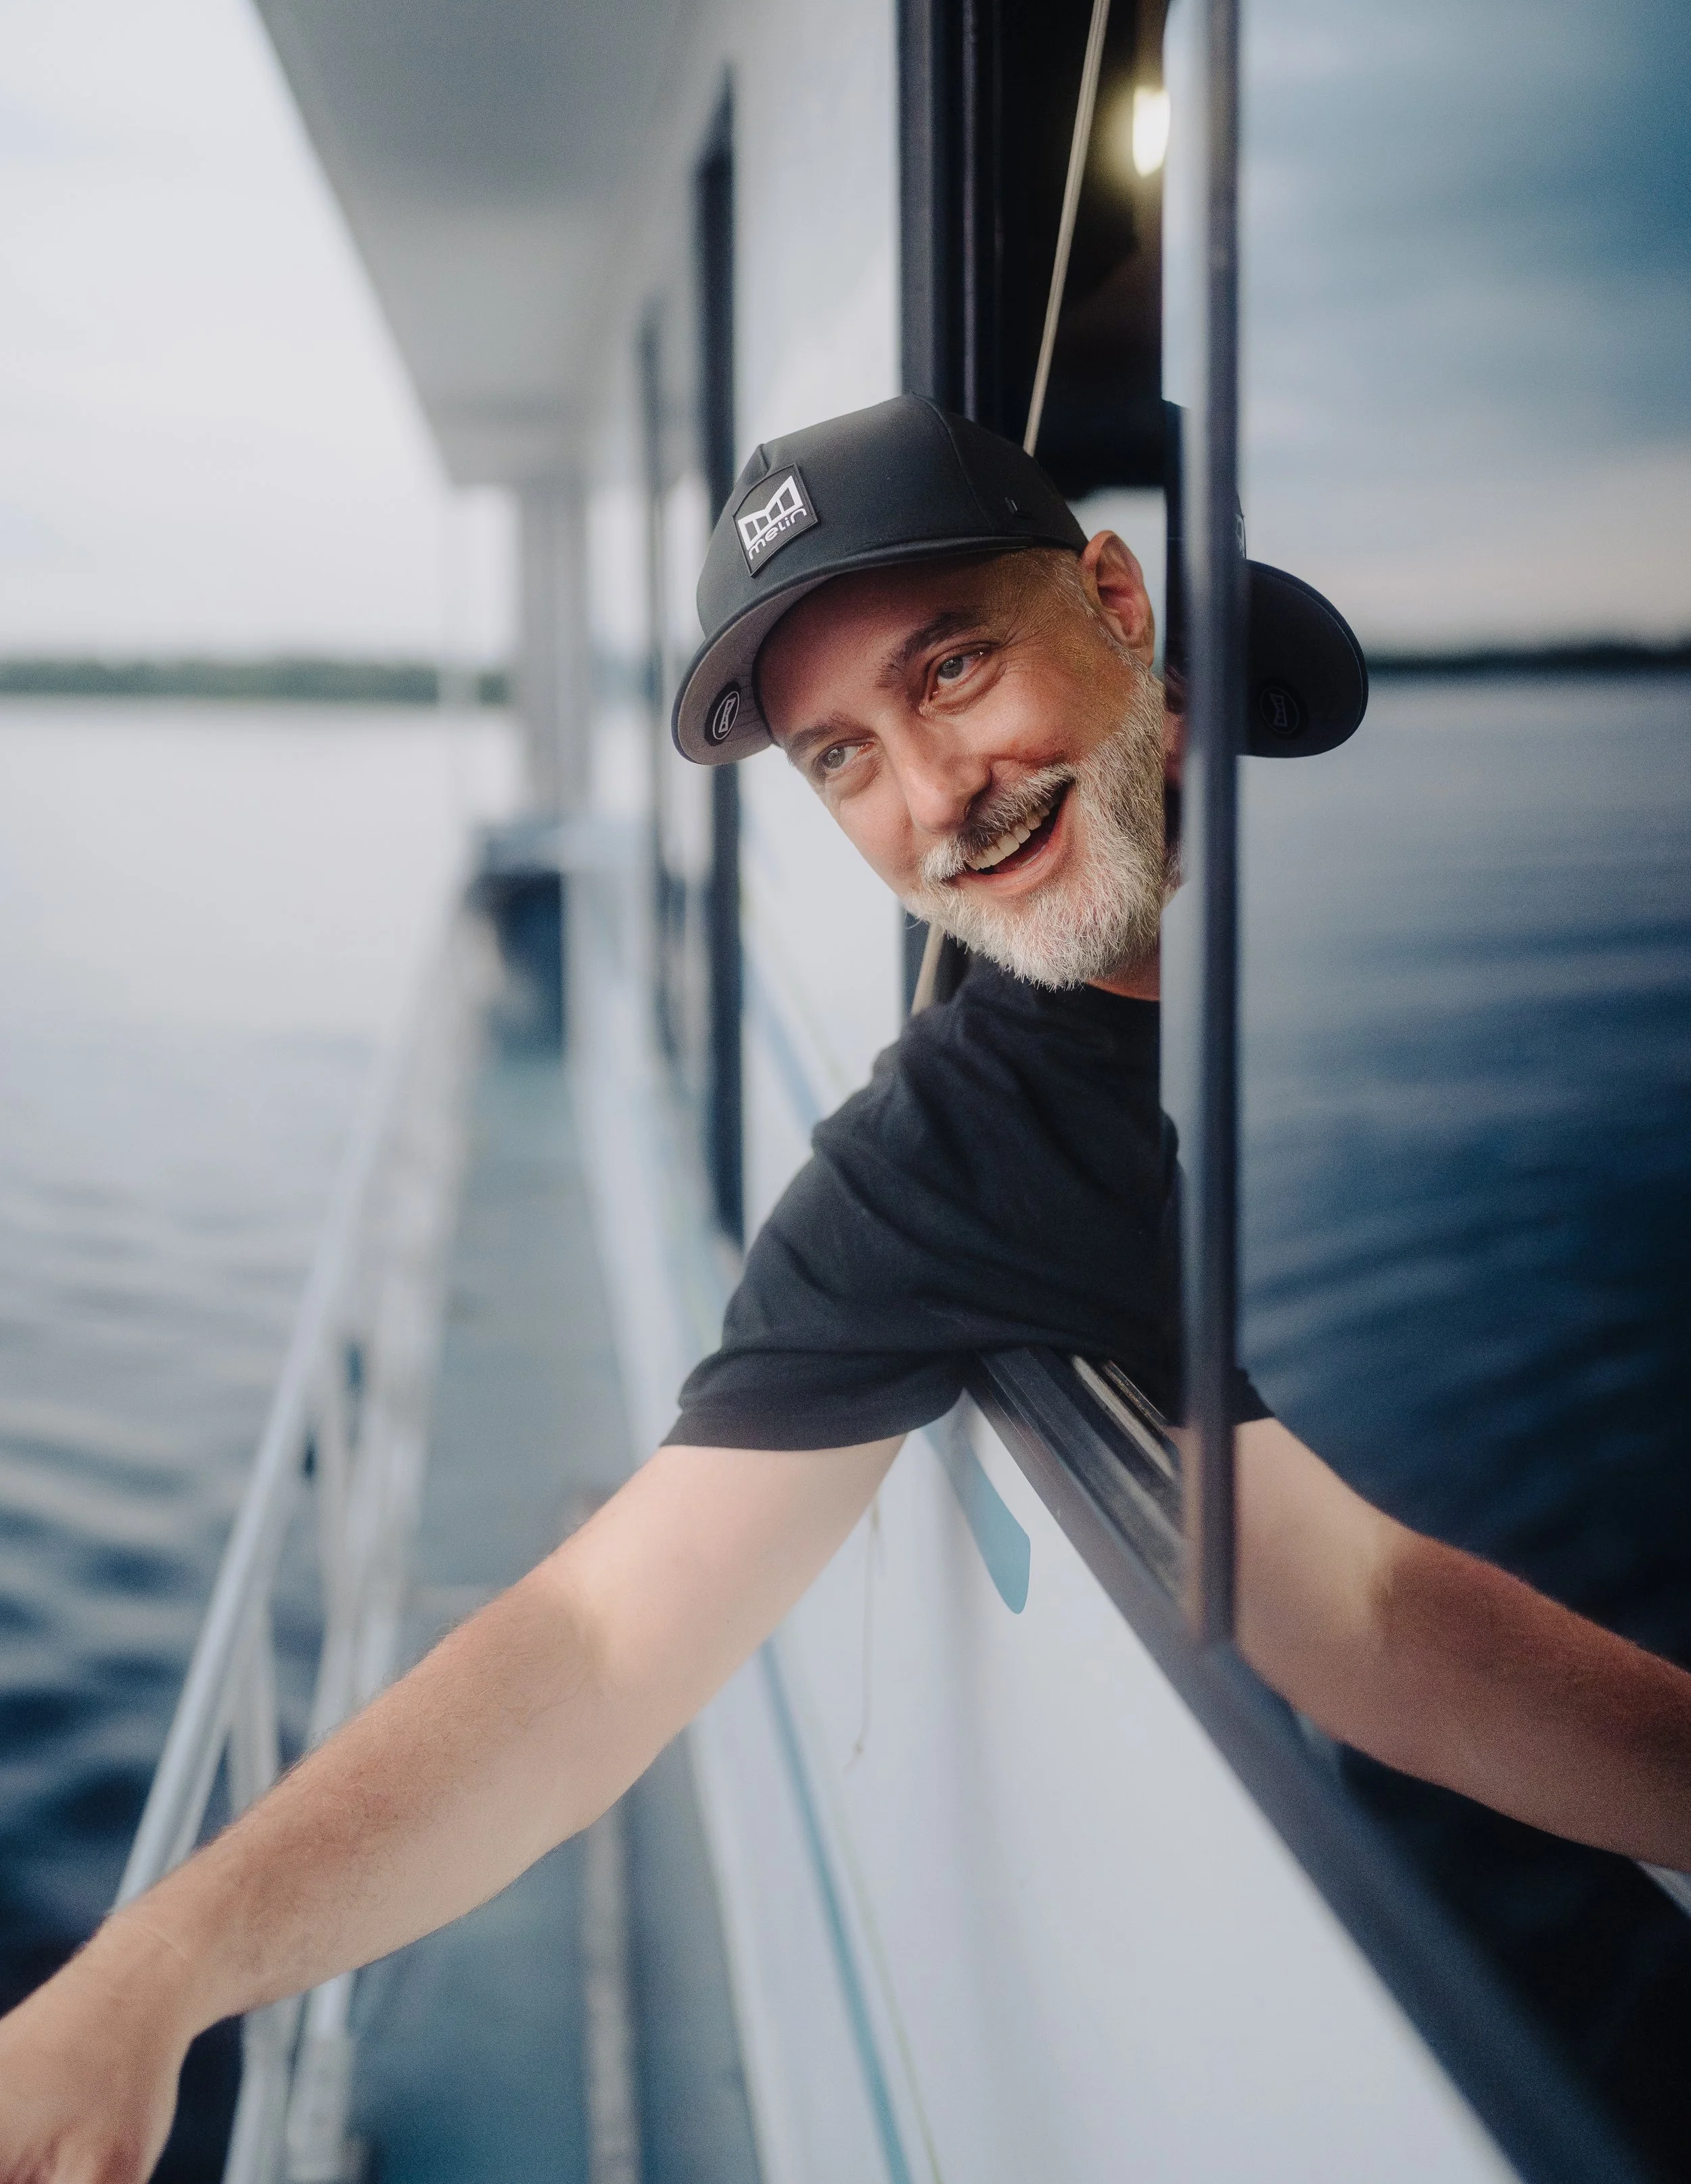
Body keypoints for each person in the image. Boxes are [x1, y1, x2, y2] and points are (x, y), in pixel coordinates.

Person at [4, 395, 1690, 2181]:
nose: (932, 793)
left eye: (952, 668)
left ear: (1116, 602)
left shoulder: (1394, 861)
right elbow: (596, 1648)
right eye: (840, 757)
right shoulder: (954, 1161)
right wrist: (158, 1970)